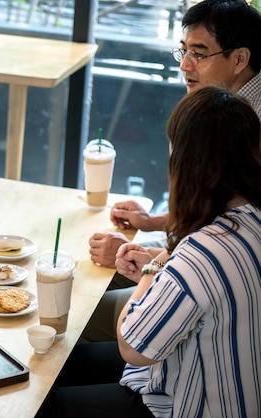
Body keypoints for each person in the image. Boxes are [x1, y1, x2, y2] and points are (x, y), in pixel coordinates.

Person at [37, 85, 261, 418]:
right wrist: (166, 263)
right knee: (60, 364)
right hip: (228, 391)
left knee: (42, 401)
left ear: (189, 163)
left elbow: (132, 346)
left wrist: (153, 270)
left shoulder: (200, 252)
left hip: (189, 404)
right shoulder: (251, 215)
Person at [81, 0, 261, 342]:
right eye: (182, 52)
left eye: (199, 53)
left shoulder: (240, 121)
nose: (185, 66)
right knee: (95, 273)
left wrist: (157, 261)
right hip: (200, 259)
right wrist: (152, 225)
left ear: (239, 59)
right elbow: (215, 203)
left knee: (84, 311)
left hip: (213, 278)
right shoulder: (218, 105)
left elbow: (225, 231)